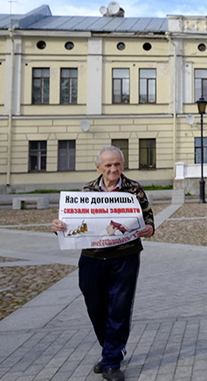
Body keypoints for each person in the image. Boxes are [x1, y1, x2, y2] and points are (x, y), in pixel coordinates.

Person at [51, 146, 155, 381]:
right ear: (98, 167)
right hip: (92, 258)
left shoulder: (134, 189)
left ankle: (111, 361)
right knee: (95, 306)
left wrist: (149, 228)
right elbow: (73, 222)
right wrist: (59, 227)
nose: (113, 169)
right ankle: (111, 348)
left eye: (117, 164)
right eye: (108, 165)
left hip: (124, 257)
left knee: (119, 307)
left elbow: (147, 218)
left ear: (123, 165)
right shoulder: (86, 191)